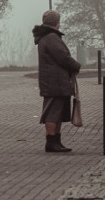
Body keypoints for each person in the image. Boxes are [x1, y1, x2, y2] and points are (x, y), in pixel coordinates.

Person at [33, 9, 81, 153]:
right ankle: (52, 142)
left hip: (53, 81)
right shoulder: (52, 38)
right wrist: (76, 66)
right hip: (55, 82)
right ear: (57, 23)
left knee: (57, 112)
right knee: (53, 113)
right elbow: (63, 57)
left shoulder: (45, 37)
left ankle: (56, 141)